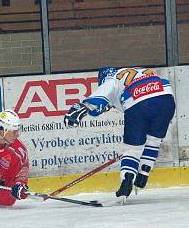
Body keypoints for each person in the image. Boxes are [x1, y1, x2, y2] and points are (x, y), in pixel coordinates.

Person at [63, 67, 175, 202]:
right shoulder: (139, 71)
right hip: (166, 99)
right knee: (154, 141)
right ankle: (144, 174)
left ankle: (126, 182)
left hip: (138, 101)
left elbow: (102, 96)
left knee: (133, 149)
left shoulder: (112, 77)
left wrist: (85, 107)